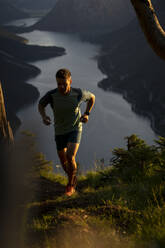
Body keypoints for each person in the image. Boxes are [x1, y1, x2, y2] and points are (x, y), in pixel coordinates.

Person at [38, 68, 95, 196]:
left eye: (65, 83)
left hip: (75, 128)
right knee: (63, 159)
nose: (62, 86)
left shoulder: (78, 93)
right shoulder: (52, 95)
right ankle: (72, 176)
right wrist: (44, 116)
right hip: (59, 131)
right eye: (59, 84)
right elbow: (41, 104)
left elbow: (92, 97)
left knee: (70, 156)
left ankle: (70, 185)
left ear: (70, 81)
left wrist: (86, 114)